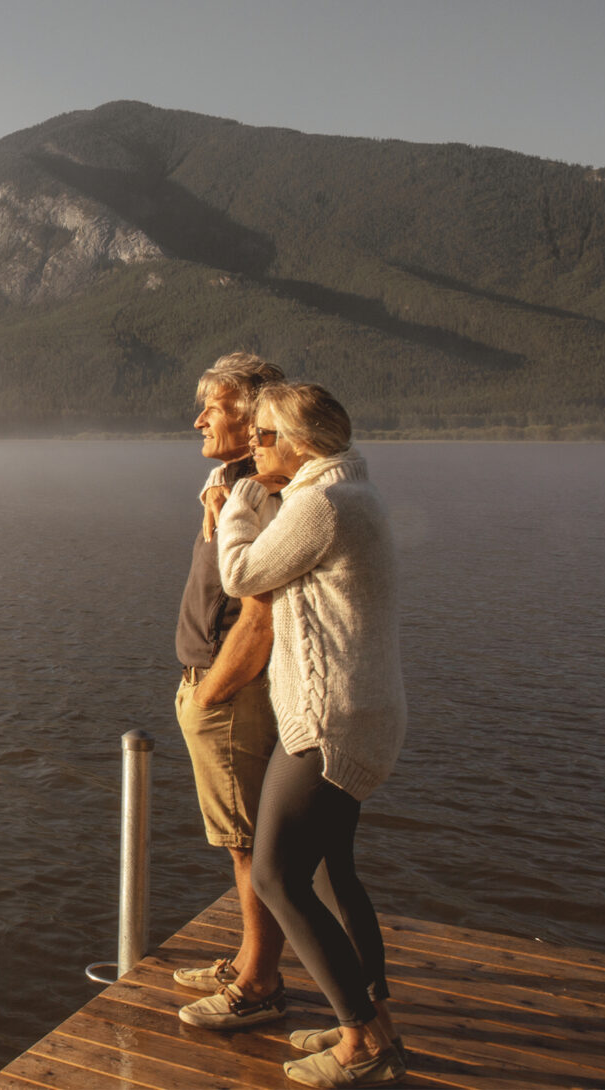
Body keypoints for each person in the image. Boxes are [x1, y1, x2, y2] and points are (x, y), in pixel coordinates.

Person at [214, 381, 409, 1088]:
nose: (254, 448)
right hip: (362, 712)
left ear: (300, 442)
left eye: (263, 437)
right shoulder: (351, 493)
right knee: (330, 873)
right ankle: (370, 1015)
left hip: (330, 721)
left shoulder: (320, 504)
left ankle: (362, 1042)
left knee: (274, 875)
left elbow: (240, 572)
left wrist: (235, 503)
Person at [167, 353, 294, 1031]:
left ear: (251, 418)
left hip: (229, 691)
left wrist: (212, 691)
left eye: (212, 408)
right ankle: (249, 958)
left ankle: (260, 982)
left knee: (248, 844)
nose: (198, 420)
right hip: (214, 685)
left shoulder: (264, 493)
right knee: (238, 840)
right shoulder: (233, 485)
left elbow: (261, 614)